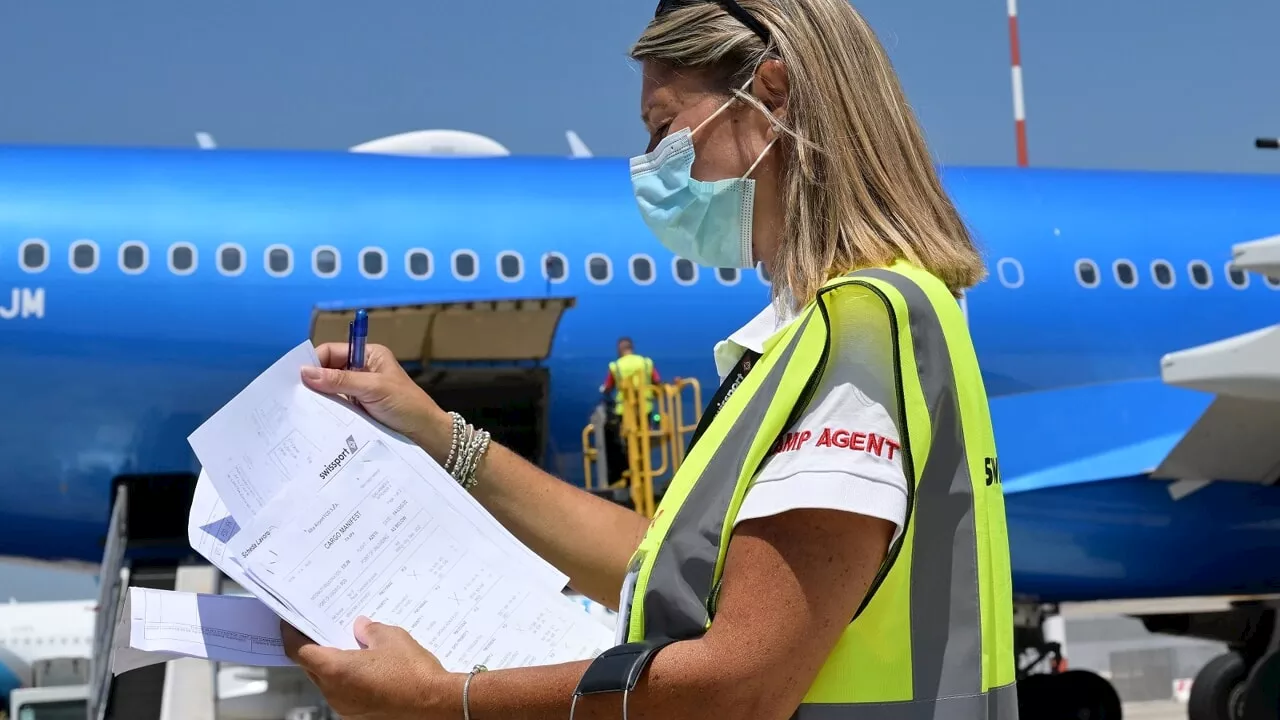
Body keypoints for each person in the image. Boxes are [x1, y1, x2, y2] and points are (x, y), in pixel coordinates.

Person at [282, 0, 1018, 718]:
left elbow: (738, 685)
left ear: (772, 92)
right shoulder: (828, 329)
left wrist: (443, 701)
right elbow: (659, 568)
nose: (650, 169)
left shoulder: (859, 327)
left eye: (664, 130)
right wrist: (439, 435)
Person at [600, 337, 661, 485]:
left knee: (627, 443)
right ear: (632, 348)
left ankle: (631, 473)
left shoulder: (616, 366)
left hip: (625, 413)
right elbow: (657, 381)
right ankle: (643, 471)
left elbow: (607, 387)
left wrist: (604, 390)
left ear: (619, 350)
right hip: (645, 409)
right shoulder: (645, 362)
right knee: (644, 440)